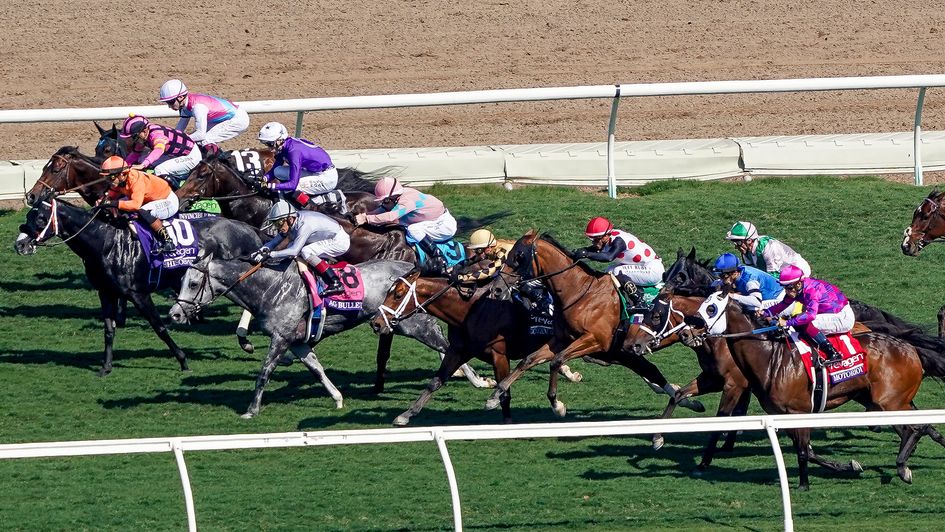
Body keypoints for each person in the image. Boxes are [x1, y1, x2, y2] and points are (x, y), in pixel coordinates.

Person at [354, 177, 457, 275]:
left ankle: (438, 257)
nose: (383, 204)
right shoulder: (398, 197)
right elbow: (383, 209)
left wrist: (366, 219)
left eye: (385, 201)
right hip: (432, 222)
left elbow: (390, 217)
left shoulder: (407, 201)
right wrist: (365, 215)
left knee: (413, 229)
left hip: (443, 225)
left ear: (395, 197)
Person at [251, 200, 349, 297]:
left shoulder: (304, 225)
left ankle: (335, 282)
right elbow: (274, 242)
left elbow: (294, 251)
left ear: (289, 219)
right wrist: (260, 251)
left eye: (279, 223)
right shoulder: (292, 221)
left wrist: (270, 254)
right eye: (275, 224)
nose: (278, 227)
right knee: (290, 246)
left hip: (339, 241)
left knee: (306, 251)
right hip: (327, 236)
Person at [764, 264, 852, 364]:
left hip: (842, 316)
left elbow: (811, 315)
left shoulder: (811, 290)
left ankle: (833, 352)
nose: (787, 292)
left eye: (788, 288)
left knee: (805, 322)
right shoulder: (797, 288)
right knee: (797, 319)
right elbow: (783, 304)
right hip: (830, 314)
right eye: (785, 288)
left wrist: (787, 322)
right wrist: (765, 312)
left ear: (798, 284)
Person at [572, 216, 664, 306]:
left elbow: (609, 257)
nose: (594, 242)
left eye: (597, 239)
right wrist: (578, 252)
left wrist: (587, 254)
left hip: (653, 270)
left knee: (617, 271)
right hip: (643, 267)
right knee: (608, 271)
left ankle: (638, 301)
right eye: (592, 239)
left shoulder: (619, 241)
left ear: (606, 235)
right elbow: (595, 250)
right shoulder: (608, 238)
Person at [256, 121, 346, 212]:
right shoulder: (284, 146)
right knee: (278, 171)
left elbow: (292, 185)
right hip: (314, 171)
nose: (269, 149)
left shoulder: (293, 152)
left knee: (292, 189)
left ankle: (315, 209)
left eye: (270, 144)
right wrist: (265, 178)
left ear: (280, 140)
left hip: (327, 178)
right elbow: (275, 168)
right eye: (266, 144)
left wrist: (271, 186)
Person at [97, 156, 178, 253]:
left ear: (122, 174)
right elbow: (112, 194)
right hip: (149, 200)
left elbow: (136, 205)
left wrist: (112, 203)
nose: (109, 181)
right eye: (107, 178)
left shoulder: (136, 180)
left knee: (143, 210)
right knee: (119, 206)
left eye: (111, 177)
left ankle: (168, 242)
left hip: (168, 201)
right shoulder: (121, 180)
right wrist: (104, 200)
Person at [158, 79, 250, 147]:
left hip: (238, 119)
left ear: (181, 97)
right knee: (195, 140)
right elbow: (178, 131)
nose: (169, 106)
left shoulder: (198, 107)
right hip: (224, 118)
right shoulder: (184, 105)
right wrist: (170, 139)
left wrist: (180, 140)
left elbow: (200, 135)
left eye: (170, 102)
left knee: (204, 140)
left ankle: (218, 164)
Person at [120, 114, 201, 187]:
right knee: (142, 159)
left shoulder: (156, 134)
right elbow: (135, 154)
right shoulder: (143, 135)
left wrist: (143, 165)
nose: (132, 140)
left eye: (134, 137)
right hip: (176, 154)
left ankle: (178, 194)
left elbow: (159, 150)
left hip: (191, 156)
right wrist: (123, 166)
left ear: (144, 131)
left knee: (159, 170)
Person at [725, 221, 811, 280]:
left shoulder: (768, 246)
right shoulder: (746, 251)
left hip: (797, 271)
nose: (736, 247)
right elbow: (752, 272)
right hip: (778, 274)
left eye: (738, 242)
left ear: (749, 240)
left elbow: (773, 276)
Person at [712, 253, 785, 311]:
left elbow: (757, 302)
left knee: (748, 307)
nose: (722, 279)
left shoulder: (749, 281)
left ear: (735, 273)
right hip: (771, 296)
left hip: (780, 299)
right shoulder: (739, 273)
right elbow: (717, 283)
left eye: (723, 276)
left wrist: (732, 296)